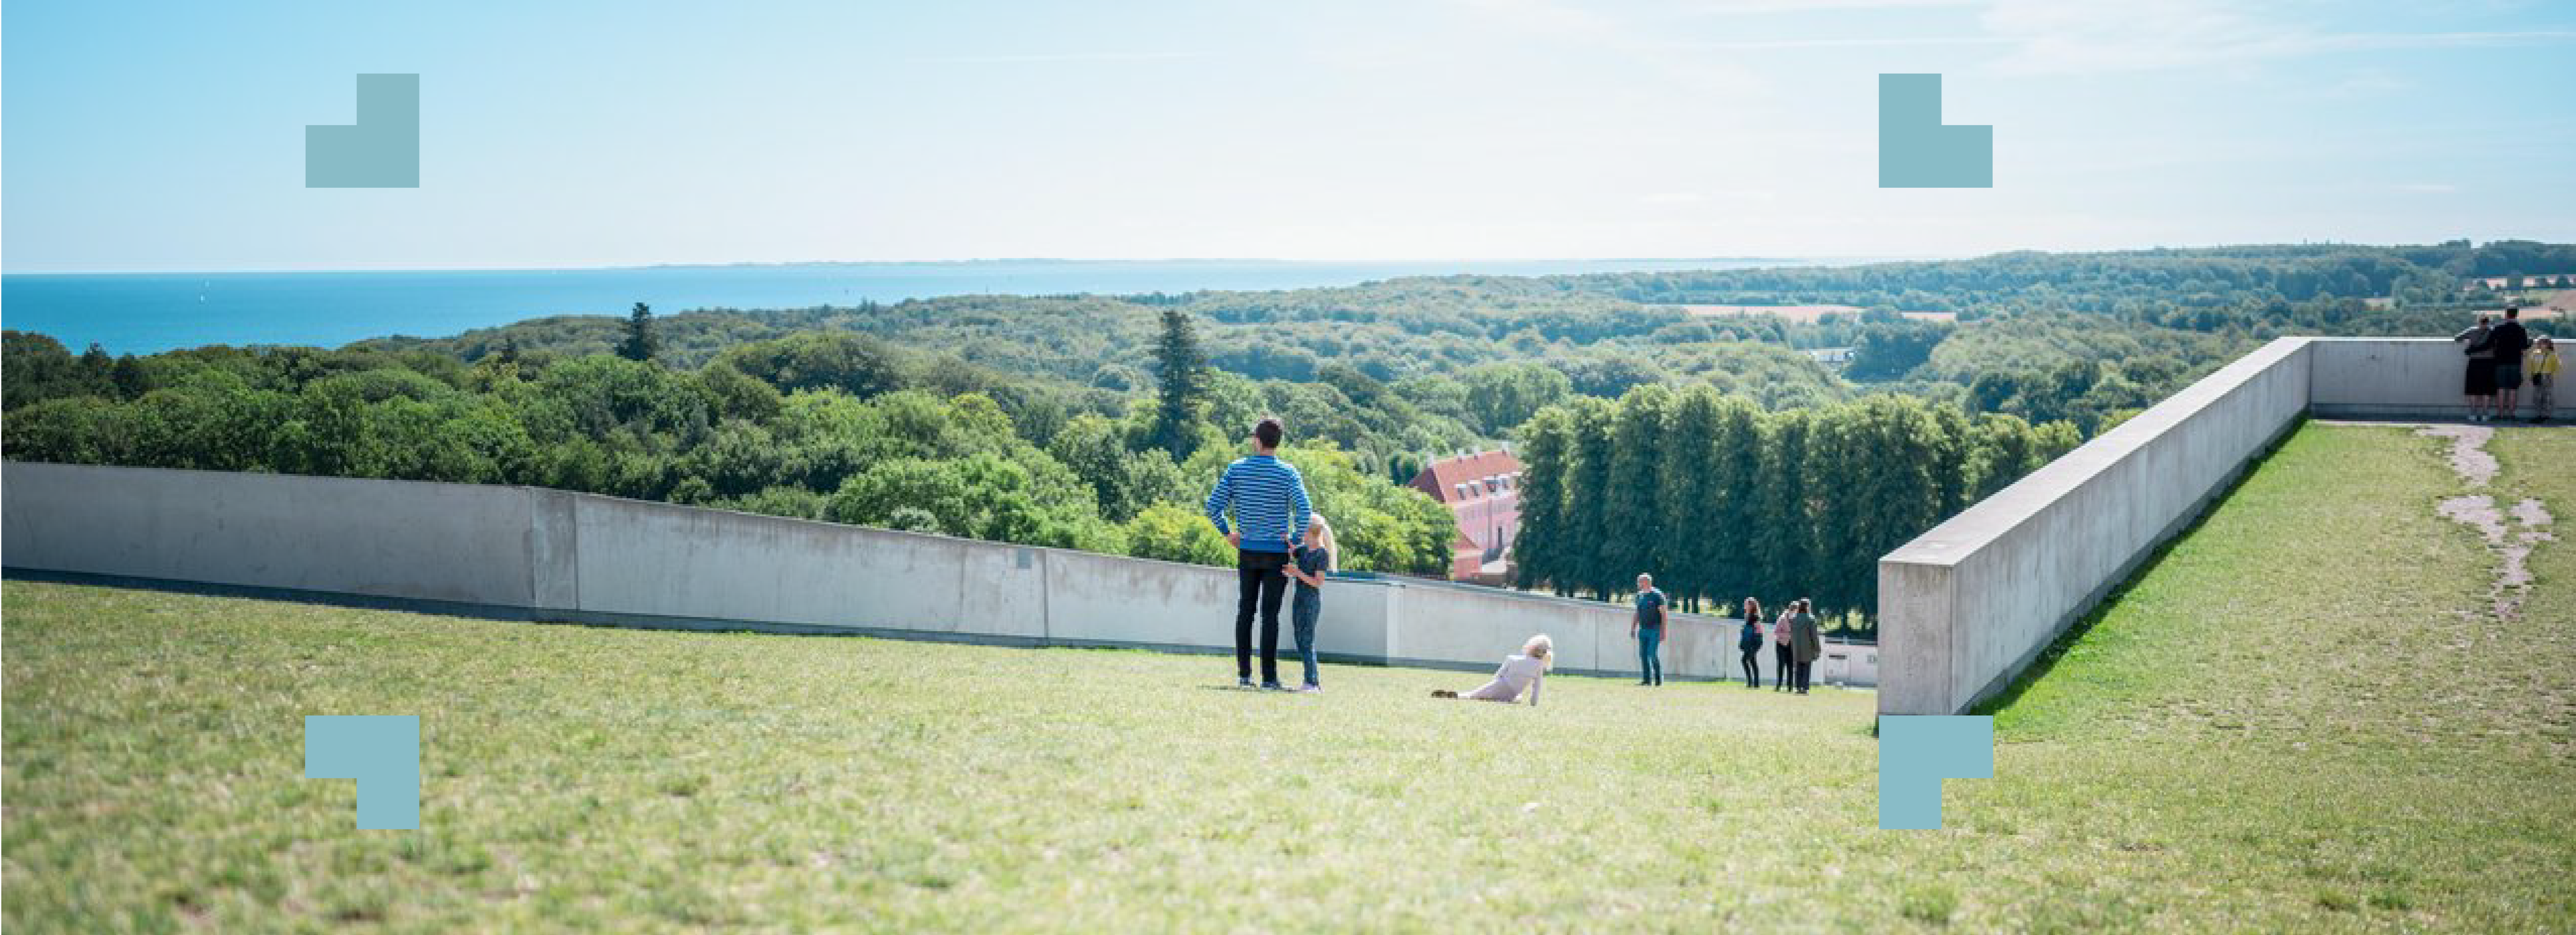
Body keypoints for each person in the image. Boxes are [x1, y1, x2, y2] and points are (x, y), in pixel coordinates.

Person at [1204, 417, 1314, 690]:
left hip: (1248, 550)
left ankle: (1244, 676)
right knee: (1270, 616)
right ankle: (1269, 678)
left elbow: (1213, 506)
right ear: (1278, 442)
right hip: (1277, 553)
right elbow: (1305, 510)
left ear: (1257, 440)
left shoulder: (1237, 469)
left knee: (1246, 611)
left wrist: (1228, 533)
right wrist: (1295, 540)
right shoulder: (1288, 473)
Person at [1282, 514, 1338, 693]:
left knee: (1307, 641)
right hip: (1299, 599)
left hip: (1311, 601)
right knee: (1300, 640)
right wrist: (1286, 541)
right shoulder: (1304, 550)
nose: (1300, 533)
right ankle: (1309, 682)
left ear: (1309, 532)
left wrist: (1297, 573)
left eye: (1302, 530)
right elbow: (1291, 551)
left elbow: (1318, 582)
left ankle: (1313, 684)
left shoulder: (1322, 554)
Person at [1432, 634, 1551, 706]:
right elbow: (1537, 687)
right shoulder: (1540, 666)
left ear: (1531, 646)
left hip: (1500, 685)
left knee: (1474, 695)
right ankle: (1494, 697)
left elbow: (1499, 675)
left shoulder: (1512, 659)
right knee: (1515, 698)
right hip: (1512, 694)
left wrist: (1494, 686)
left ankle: (1458, 696)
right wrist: (1534, 703)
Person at [2490, 308, 2533, 420]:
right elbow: (2525, 346)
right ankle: (2512, 415)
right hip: (2515, 362)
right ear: (2516, 315)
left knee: (2501, 389)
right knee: (2513, 389)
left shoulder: (2498, 328)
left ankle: (2500, 415)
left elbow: (2491, 342)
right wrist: (2531, 342)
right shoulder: (2521, 329)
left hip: (2500, 362)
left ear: (2507, 315)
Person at [2456, 314, 2496, 422]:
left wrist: (2469, 343)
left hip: (2474, 363)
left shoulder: (2472, 331)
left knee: (2473, 390)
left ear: (2479, 322)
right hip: (2489, 363)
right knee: (2487, 390)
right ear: (2488, 322)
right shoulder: (2493, 332)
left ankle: (2473, 414)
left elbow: (2457, 338)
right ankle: (2485, 415)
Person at [1629, 573, 1667, 686]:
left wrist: (1663, 632)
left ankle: (1659, 681)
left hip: (1655, 629)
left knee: (1652, 654)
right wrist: (1633, 628)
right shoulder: (1639, 596)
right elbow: (1638, 613)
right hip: (1643, 630)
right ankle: (1647, 681)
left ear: (1646, 582)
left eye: (1640, 582)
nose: (1638, 584)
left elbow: (1664, 615)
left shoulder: (1657, 596)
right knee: (1643, 655)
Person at [1789, 599, 1822, 695]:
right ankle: (1805, 688)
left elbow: (1792, 634)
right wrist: (1818, 649)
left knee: (1798, 668)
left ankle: (1798, 688)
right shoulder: (1811, 619)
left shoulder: (1794, 619)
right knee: (1807, 668)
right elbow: (1814, 636)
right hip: (1808, 647)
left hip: (1796, 647)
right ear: (1807, 607)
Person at [2528, 336, 2560, 423]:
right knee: (2537, 397)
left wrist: (2551, 374)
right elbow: (2531, 365)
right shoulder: (2535, 354)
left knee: (2547, 397)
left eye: (2541, 343)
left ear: (2547, 344)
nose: (2539, 345)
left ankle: (2546, 416)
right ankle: (2539, 415)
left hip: (2547, 377)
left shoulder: (2552, 355)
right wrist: (2532, 375)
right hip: (2537, 377)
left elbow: (2557, 366)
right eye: (2539, 343)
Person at [1736, 597, 1766, 688]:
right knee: (1752, 661)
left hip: (1754, 643)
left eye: (1746, 604)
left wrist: (1755, 644)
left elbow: (1760, 631)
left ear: (1751, 606)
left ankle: (1751, 683)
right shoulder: (1748, 616)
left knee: (1745, 660)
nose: (1745, 606)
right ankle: (1755, 684)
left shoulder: (1755, 617)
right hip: (1749, 643)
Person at [1770, 604, 1795, 692]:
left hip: (1792, 645)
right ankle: (1779, 686)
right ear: (1791, 610)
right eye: (1794, 611)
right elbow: (1776, 632)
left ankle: (1790, 687)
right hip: (1781, 644)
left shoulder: (1796, 620)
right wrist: (1788, 635)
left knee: (1791, 666)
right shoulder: (1782, 619)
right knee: (1781, 665)